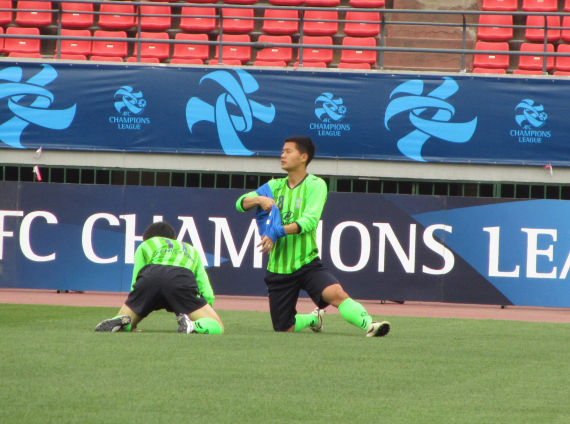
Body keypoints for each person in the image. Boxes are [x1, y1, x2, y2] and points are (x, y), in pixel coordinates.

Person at [235, 136, 390, 337]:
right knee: (284, 328)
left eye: (288, 151)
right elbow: (240, 204)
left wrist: (275, 232)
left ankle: (370, 325)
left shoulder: (316, 185)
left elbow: (309, 221)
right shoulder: (273, 187)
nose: (282, 155)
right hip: (278, 269)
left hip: (307, 262)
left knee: (337, 294)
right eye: (282, 151)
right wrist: (259, 200)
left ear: (303, 157)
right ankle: (313, 319)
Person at [95, 221, 224, 335]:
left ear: (148, 238)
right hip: (180, 279)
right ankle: (192, 326)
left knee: (125, 319)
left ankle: (123, 322)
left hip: (150, 278)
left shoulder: (146, 245)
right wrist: (205, 308)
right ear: (172, 238)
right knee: (217, 325)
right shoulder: (191, 249)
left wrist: (135, 302)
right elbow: (206, 289)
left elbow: (137, 278)